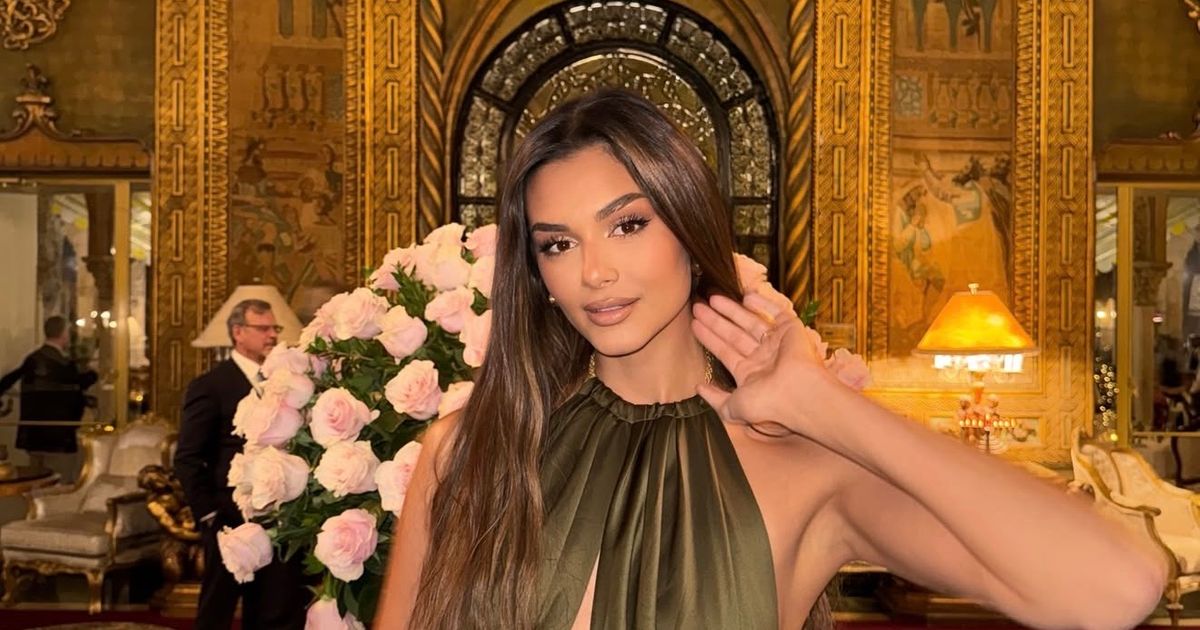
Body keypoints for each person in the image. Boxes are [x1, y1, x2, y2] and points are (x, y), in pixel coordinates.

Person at [376, 90, 1164, 629]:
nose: (593, 273)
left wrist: (825, 406)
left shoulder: (803, 467)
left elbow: (1118, 588)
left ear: (692, 233)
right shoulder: (468, 451)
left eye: (628, 225)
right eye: (558, 244)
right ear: (536, 276)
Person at [174, 299, 307, 630]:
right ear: (238, 332)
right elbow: (188, 458)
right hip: (228, 518)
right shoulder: (210, 385)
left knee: (276, 609)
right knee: (217, 610)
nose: (272, 335)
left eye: (274, 328)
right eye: (263, 328)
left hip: (279, 515)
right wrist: (209, 515)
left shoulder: (285, 381)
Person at [0, 316, 97, 481]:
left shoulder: (33, 359)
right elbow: (78, 384)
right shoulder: (62, 364)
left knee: (35, 482)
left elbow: (7, 381)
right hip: (58, 436)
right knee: (59, 482)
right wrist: (94, 373)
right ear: (64, 334)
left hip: (33, 435)